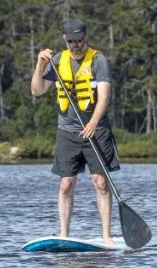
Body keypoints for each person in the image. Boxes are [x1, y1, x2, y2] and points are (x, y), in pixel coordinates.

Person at [30, 19, 118, 245]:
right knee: (66, 184)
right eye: (71, 41)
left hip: (96, 131)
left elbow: (105, 96)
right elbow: (37, 90)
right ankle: (64, 234)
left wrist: (93, 123)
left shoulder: (98, 61)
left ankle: (107, 235)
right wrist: (40, 64)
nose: (76, 45)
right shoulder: (58, 61)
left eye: (79, 40)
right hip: (67, 132)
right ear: (65, 41)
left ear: (85, 38)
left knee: (100, 182)